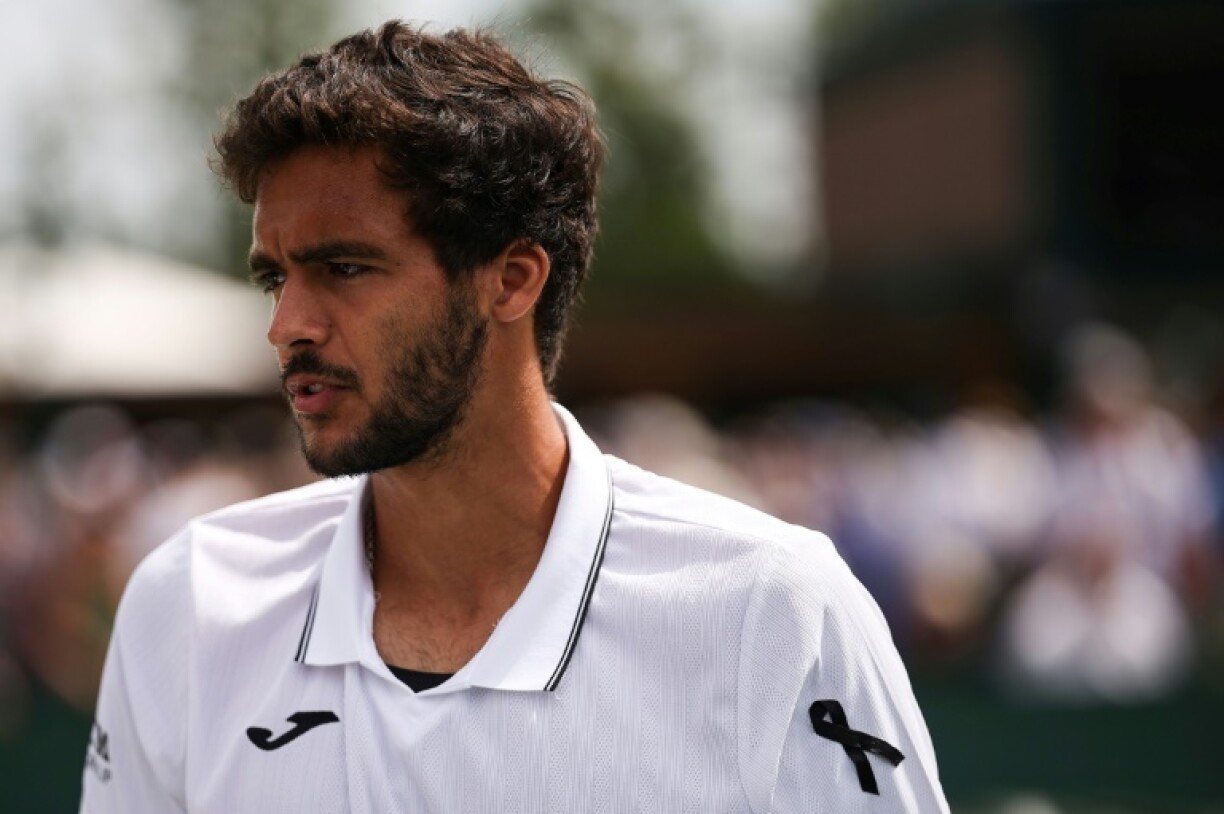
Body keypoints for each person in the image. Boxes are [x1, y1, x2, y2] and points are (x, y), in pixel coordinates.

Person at [80, 22, 948, 813]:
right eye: (276, 278)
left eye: (344, 268)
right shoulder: (188, 600)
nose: (287, 325)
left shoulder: (773, 610)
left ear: (511, 279)